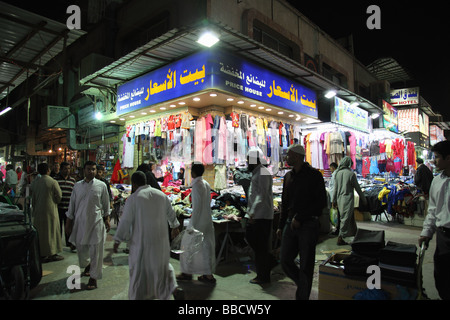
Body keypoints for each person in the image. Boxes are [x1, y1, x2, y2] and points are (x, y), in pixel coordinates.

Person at [113, 171, 184, 300]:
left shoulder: (133, 199)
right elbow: (171, 213)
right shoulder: (161, 195)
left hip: (141, 242)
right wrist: (174, 227)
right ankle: (171, 288)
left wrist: (118, 240)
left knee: (139, 274)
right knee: (162, 267)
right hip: (160, 240)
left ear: (133, 184)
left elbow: (125, 221)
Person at [276, 144, 327, 300]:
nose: (286, 158)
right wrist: (280, 225)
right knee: (284, 260)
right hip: (290, 223)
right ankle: (303, 284)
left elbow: (320, 203)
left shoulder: (314, 176)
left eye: (289, 155)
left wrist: (301, 217)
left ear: (297, 157)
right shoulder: (288, 177)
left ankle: (302, 295)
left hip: (308, 224)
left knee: (306, 263)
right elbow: (285, 204)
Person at [65, 161, 111, 290]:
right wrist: (69, 223)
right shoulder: (77, 186)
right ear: (84, 170)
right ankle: (88, 264)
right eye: (89, 169)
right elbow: (72, 206)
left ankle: (94, 278)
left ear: (96, 171)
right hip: (80, 223)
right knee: (81, 249)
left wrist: (107, 219)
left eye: (93, 169)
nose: (91, 171)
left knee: (96, 250)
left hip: (96, 222)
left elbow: (106, 204)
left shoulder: (101, 185)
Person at [419, 140, 450, 300]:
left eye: (437, 157)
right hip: (443, 237)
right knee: (441, 276)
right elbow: (432, 210)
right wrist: (426, 233)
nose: (434, 160)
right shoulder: (437, 181)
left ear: (448, 158)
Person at [177, 163, 216, 284]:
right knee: (205, 248)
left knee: (187, 246)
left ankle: (187, 273)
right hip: (206, 221)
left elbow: (197, 207)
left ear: (193, 172)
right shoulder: (205, 184)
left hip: (198, 222)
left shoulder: (197, 186)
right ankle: (208, 275)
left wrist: (192, 224)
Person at [245, 148, 277, 284]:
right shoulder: (258, 172)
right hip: (258, 214)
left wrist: (252, 212)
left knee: (260, 247)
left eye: (248, 160)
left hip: (261, 215)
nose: (247, 163)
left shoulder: (262, 172)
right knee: (257, 244)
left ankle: (263, 275)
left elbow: (261, 195)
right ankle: (269, 264)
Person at [31, 162, 63, 262]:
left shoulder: (35, 182)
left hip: (38, 210)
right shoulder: (52, 182)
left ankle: (42, 254)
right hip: (51, 210)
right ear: (48, 170)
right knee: (52, 231)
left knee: (41, 233)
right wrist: (55, 201)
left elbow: (33, 198)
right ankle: (52, 253)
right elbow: (59, 196)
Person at [332, 156, 367, 246]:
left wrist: (334, 200)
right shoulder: (351, 174)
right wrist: (363, 199)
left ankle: (355, 235)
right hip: (347, 199)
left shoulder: (337, 173)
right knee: (345, 219)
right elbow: (358, 189)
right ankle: (340, 237)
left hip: (340, 199)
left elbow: (335, 189)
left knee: (349, 218)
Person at [55, 162, 77, 252]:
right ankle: (58, 244)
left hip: (69, 208)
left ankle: (69, 243)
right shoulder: (55, 180)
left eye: (68, 168)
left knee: (69, 227)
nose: (67, 170)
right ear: (61, 169)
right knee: (58, 227)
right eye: (65, 169)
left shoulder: (72, 180)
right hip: (58, 207)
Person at [328, 162, 339, 235]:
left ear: (333, 167)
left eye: (330, 168)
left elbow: (334, 188)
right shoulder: (335, 174)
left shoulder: (335, 174)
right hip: (334, 197)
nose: (330, 169)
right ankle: (337, 229)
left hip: (334, 197)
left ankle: (337, 230)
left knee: (337, 215)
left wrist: (333, 200)